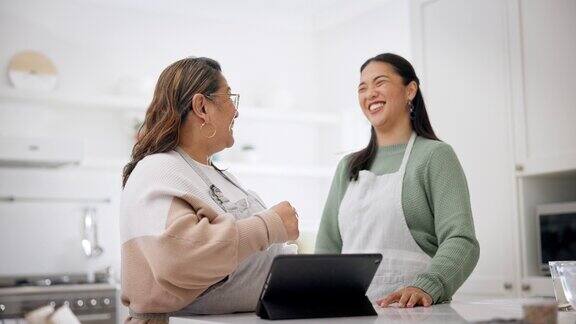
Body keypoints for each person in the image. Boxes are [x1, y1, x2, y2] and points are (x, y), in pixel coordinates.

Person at [120, 57, 299, 322]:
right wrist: (270, 225)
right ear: (202, 106)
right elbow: (179, 258)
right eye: (229, 98)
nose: (236, 112)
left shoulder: (216, 175)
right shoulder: (158, 169)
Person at [315, 53, 480, 308]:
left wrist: (427, 285)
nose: (369, 93)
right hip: (349, 311)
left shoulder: (435, 156)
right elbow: (327, 248)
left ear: (410, 90)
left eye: (379, 82)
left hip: (415, 313)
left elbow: (461, 240)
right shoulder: (348, 167)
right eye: (362, 87)